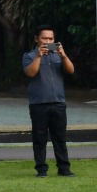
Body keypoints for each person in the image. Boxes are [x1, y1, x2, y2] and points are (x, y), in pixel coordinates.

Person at [22, 24, 75, 178]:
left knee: (60, 137)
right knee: (39, 138)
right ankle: (41, 169)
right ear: (36, 39)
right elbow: (31, 73)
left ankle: (64, 168)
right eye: (44, 38)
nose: (48, 41)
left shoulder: (58, 55)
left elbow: (71, 70)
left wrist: (63, 55)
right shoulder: (29, 56)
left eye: (51, 38)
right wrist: (39, 56)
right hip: (38, 104)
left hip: (58, 102)